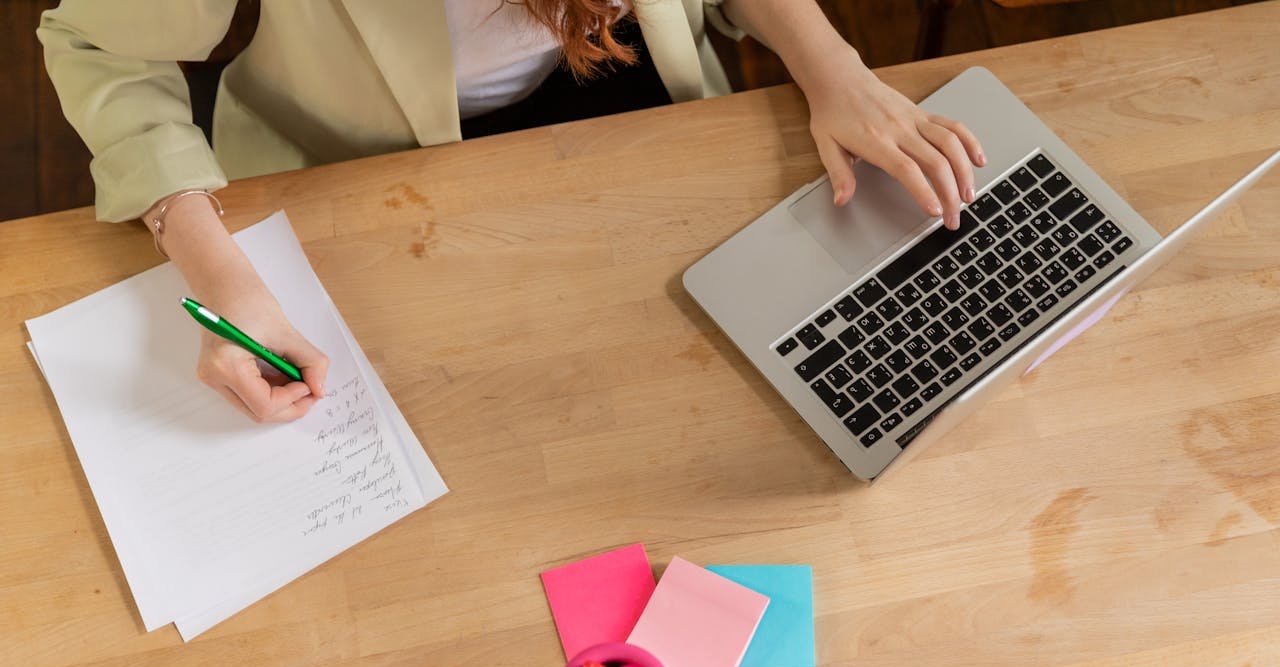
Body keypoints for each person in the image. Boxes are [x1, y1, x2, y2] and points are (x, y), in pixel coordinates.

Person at [39, 0, 984, 423]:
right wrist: (220, 272)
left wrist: (833, 70)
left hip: (640, 94)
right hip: (374, 180)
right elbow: (92, 42)